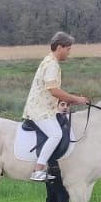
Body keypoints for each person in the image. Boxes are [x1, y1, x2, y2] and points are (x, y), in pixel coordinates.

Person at [23, 31, 88, 182]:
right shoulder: (51, 64)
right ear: (59, 47)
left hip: (46, 108)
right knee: (56, 134)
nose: (69, 53)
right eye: (68, 49)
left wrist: (70, 99)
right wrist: (76, 99)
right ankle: (38, 170)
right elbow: (54, 90)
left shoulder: (49, 61)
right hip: (40, 110)